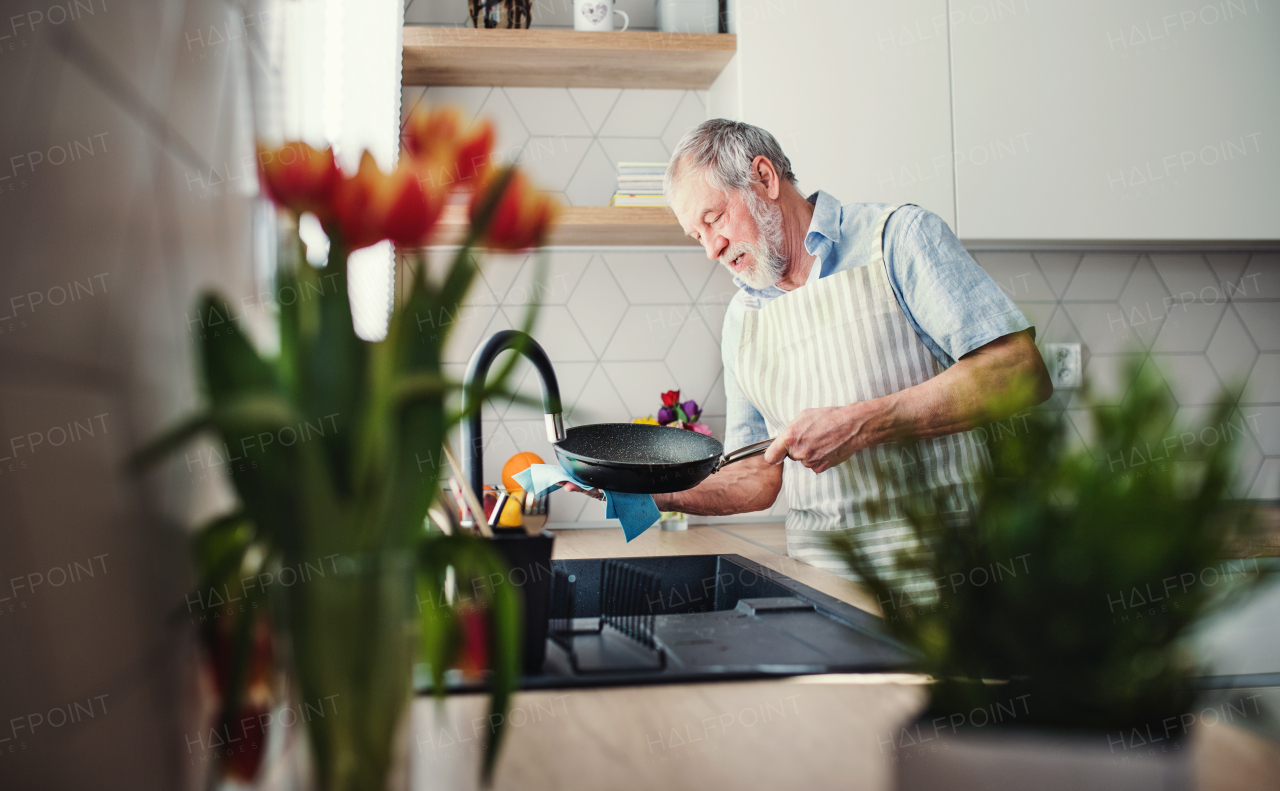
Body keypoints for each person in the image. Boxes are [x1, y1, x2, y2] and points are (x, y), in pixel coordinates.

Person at [645, 119, 1052, 584]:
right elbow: (755, 476)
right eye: (697, 236)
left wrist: (861, 424)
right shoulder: (742, 318)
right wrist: (650, 494)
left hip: (952, 570)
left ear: (764, 177)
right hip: (823, 584)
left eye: (713, 219)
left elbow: (1021, 371)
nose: (712, 250)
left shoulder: (897, 238)